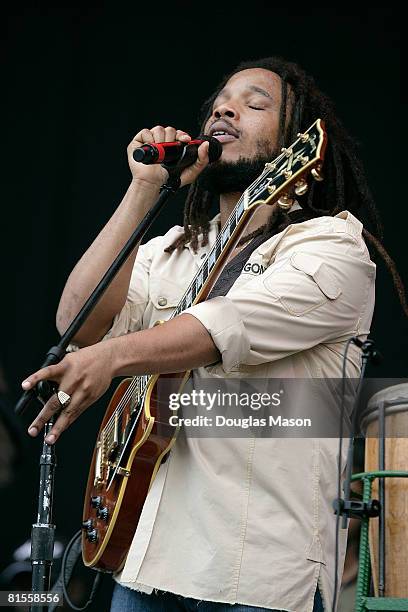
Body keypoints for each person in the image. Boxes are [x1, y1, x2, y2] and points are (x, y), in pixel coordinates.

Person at [21, 57, 407, 611]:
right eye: (221, 101)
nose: (226, 108)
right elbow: (77, 321)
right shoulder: (175, 248)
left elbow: (221, 328)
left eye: (255, 104)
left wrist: (109, 359)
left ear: (298, 146)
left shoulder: (331, 246)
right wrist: (144, 191)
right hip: (145, 564)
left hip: (255, 574)